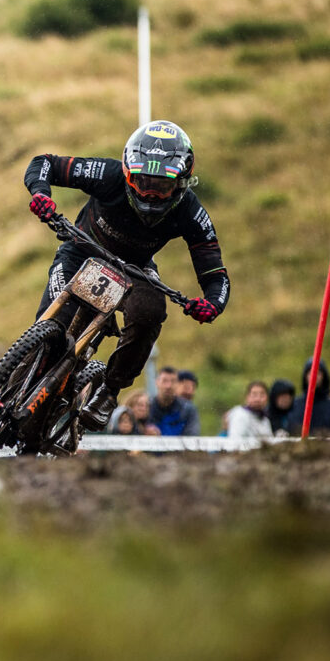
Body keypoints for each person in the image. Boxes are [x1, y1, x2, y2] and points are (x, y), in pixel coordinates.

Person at [24, 120, 229, 431]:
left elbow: (215, 273)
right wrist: (41, 194)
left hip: (135, 270)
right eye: (142, 181)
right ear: (127, 171)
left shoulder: (189, 210)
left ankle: (108, 390)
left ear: (183, 182)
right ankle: (12, 390)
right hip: (81, 252)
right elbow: (44, 164)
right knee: (49, 332)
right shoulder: (108, 175)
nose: (150, 194)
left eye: (162, 186)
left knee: (151, 313)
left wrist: (213, 303)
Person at [286, 359, 330, 437]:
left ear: (324, 376)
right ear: (305, 376)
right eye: (310, 373)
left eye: (318, 373)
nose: (314, 376)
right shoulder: (295, 405)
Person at [148, 366, 200, 436]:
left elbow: (192, 437)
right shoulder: (147, 406)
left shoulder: (188, 409)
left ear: (177, 384)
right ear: (157, 382)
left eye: (173, 381)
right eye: (164, 381)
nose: (168, 386)